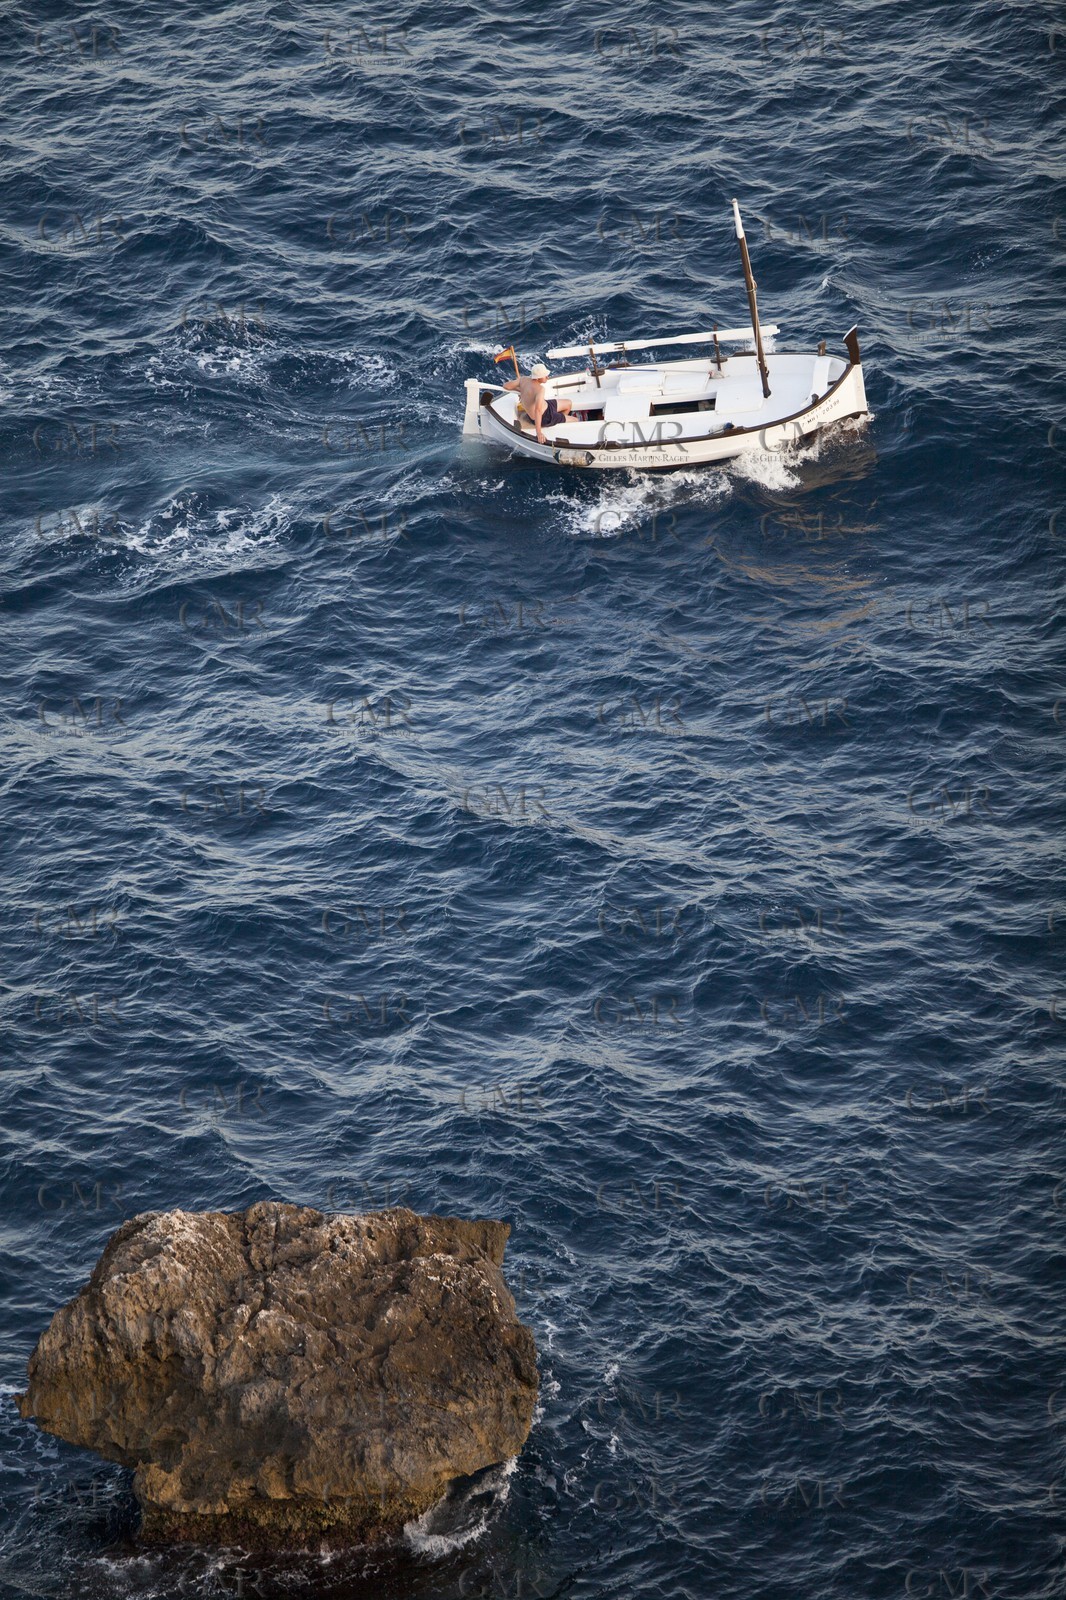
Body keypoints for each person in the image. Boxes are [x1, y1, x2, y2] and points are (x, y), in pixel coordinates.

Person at [503, 362, 573, 444]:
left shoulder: (523, 379)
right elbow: (538, 411)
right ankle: (560, 421)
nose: (548, 377)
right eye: (545, 376)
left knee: (568, 403)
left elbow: (506, 386)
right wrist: (539, 433)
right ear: (537, 378)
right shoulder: (540, 389)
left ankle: (560, 421)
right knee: (576, 420)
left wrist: (522, 391)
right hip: (545, 417)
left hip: (546, 406)